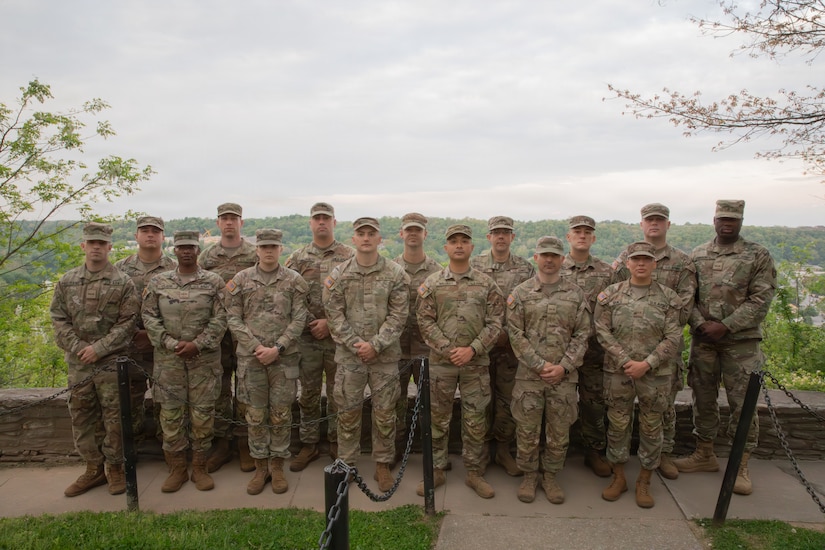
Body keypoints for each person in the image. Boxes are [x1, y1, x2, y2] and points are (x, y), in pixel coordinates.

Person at [673, 200, 776, 496]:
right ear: (714, 220)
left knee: (742, 405)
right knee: (702, 399)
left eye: (733, 219)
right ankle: (704, 453)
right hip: (705, 342)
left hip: (741, 344)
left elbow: (761, 300)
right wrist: (700, 324)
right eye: (722, 218)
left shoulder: (757, 255)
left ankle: (740, 464)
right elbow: (687, 296)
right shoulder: (698, 254)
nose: (727, 223)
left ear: (741, 221)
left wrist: (727, 325)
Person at [50, 222, 139, 497]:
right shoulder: (67, 281)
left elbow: (128, 323)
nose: (97, 247)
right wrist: (79, 347)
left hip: (111, 362)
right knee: (82, 415)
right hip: (79, 364)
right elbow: (58, 319)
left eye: (101, 243)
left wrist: (99, 348)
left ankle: (115, 468)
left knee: (115, 417)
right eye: (92, 243)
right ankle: (92, 468)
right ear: (83, 246)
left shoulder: (123, 282)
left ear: (110, 247)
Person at [416, 224, 504, 499]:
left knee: (476, 419)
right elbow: (425, 320)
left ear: (471, 247)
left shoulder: (486, 284)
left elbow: (495, 322)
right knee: (438, 419)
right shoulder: (432, 283)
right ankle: (437, 469)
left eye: (464, 241)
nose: (458, 245)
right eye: (453, 241)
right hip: (442, 364)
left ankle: (474, 472)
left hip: (475, 365)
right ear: (445, 248)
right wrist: (448, 348)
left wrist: (473, 349)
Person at [324, 217, 409, 492]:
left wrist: (376, 345)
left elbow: (399, 316)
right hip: (350, 358)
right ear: (353, 239)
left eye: (371, 233)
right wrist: (356, 345)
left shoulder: (395, 274)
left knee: (385, 413)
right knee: (348, 412)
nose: (366, 238)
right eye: (361, 233)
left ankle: (383, 464)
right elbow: (334, 315)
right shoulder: (339, 274)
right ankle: (347, 464)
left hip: (384, 358)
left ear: (379, 239)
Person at [595, 241, 683, 508]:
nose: (641, 264)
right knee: (618, 425)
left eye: (647, 259)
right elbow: (601, 330)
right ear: (628, 264)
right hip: (618, 372)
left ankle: (645, 480)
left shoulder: (668, 297)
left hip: (655, 374)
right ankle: (619, 477)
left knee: (652, 426)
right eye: (636, 260)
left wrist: (647, 363)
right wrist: (625, 360)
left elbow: (674, 335)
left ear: (654, 264)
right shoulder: (610, 294)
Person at [611, 203, 696, 479]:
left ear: (668, 224)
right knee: (620, 415)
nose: (655, 224)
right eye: (650, 220)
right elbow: (614, 297)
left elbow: (684, 307)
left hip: (663, 353)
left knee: (664, 409)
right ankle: (622, 467)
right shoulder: (627, 256)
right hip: (625, 350)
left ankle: (664, 455)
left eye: (660, 220)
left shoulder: (682, 262)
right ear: (642, 224)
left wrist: (654, 351)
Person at [225, 229, 309, 495]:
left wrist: (278, 347)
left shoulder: (294, 281)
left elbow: (299, 319)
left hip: (284, 359)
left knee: (281, 414)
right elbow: (233, 318)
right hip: (252, 360)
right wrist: (257, 347)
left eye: (274, 246)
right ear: (257, 250)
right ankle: (260, 468)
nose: (269, 251)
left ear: (281, 249)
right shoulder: (241, 280)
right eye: (264, 247)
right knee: (256, 414)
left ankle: (277, 466)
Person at [506, 236, 590, 504]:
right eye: (545, 255)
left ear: (562, 259)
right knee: (527, 431)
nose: (550, 260)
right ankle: (529, 476)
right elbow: (515, 335)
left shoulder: (575, 294)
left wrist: (564, 367)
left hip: (563, 378)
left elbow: (583, 334)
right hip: (529, 376)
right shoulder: (520, 293)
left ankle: (551, 477)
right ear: (536, 258)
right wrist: (540, 365)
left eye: (555, 255)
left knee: (558, 431)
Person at [143, 230, 227, 492]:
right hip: (169, 362)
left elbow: (222, 317)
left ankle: (199, 468)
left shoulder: (214, 282)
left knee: (203, 416)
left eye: (191, 247)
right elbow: (148, 317)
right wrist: (170, 342)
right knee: (170, 415)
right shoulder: (159, 282)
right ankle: (177, 468)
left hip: (204, 361)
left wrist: (198, 344)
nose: (187, 251)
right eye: (182, 247)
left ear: (198, 250)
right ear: (174, 251)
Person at [284, 202, 355, 471]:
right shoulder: (298, 258)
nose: (322, 222)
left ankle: (337, 443)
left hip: (339, 339)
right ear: (310, 223)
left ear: (335, 223)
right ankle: (309, 444)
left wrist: (330, 323)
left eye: (326, 218)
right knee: (309, 394)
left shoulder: (350, 256)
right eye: (317, 218)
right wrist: (312, 322)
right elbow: (290, 297)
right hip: (308, 337)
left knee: (340, 394)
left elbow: (354, 296)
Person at [470, 215, 535, 476]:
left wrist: (508, 334)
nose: (500, 236)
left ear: (512, 237)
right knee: (481, 399)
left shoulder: (525, 268)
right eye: (496, 232)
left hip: (511, 347)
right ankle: (483, 451)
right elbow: (471, 304)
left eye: (505, 232)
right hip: (481, 347)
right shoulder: (474, 266)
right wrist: (488, 335)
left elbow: (529, 305)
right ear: (488, 237)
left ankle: (504, 450)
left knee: (508, 399)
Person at [198, 202, 258, 473]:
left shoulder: (254, 254)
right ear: (218, 223)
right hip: (216, 334)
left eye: (234, 218)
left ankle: (245, 443)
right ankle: (222, 443)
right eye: (225, 218)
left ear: (241, 223)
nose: (230, 222)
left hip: (246, 332)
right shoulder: (207, 257)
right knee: (219, 390)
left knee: (246, 387)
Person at [560, 215, 615, 477]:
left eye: (587, 232)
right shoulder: (554, 268)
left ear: (593, 238)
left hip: (595, 353)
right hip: (561, 354)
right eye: (577, 231)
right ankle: (556, 452)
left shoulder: (607, 272)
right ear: (568, 237)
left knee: (594, 404)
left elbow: (617, 308)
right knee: (561, 404)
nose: (582, 235)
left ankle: (594, 451)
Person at [115, 215, 177, 441]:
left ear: (162, 236)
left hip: (164, 348)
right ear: (136, 236)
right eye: (145, 230)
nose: (150, 234)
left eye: (155, 231)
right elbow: (113, 308)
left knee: (167, 402)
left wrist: (153, 336)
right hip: (129, 347)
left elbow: (183, 311)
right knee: (130, 403)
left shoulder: (175, 268)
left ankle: (170, 453)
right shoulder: (120, 269)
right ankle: (131, 453)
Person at [392, 212, 441, 466]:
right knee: (393, 404)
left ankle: (432, 455)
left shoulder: (437, 272)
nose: (413, 233)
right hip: (396, 349)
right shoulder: (390, 269)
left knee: (429, 405)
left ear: (425, 234)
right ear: (401, 234)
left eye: (417, 230)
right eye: (408, 229)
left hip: (425, 350)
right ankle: (394, 451)